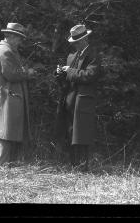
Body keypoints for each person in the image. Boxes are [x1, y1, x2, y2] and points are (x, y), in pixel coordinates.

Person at [0, 22, 36, 167]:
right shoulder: (6, 51)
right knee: (5, 133)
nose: (20, 41)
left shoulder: (1, 49)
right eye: (18, 38)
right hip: (6, 98)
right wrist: (28, 73)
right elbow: (11, 75)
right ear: (10, 36)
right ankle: (2, 164)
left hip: (0, 97)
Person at [54, 24, 102, 172]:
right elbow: (67, 80)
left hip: (83, 101)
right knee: (70, 132)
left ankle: (82, 167)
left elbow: (90, 76)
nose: (76, 44)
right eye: (74, 42)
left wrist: (70, 71)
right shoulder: (71, 57)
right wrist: (59, 74)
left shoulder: (93, 56)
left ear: (86, 39)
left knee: (81, 134)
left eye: (79, 41)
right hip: (69, 100)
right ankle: (73, 165)